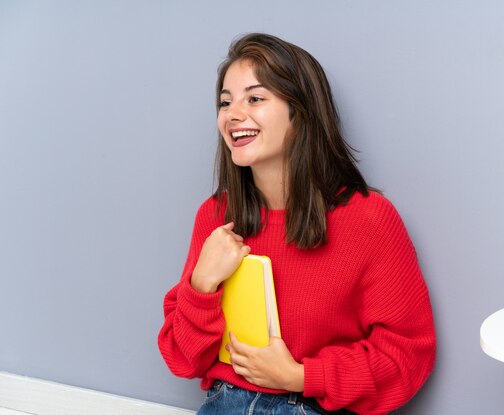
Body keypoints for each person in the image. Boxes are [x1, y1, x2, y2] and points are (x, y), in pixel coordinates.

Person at [158, 33, 436, 415]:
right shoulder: (216, 216)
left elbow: (406, 357)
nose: (232, 114)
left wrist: (302, 377)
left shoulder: (368, 219)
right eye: (226, 102)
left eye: (254, 98)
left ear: (300, 111)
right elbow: (182, 358)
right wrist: (201, 285)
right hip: (221, 403)